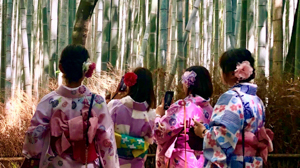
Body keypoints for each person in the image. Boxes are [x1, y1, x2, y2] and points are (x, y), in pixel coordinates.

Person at [22, 44, 119, 168]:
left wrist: (31, 156)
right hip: (86, 163)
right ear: (86, 70)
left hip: (55, 164)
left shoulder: (49, 101)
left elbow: (34, 135)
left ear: (61, 68)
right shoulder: (97, 102)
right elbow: (107, 140)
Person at [194, 48, 274, 168]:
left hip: (234, 162)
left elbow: (223, 138)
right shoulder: (257, 100)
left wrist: (204, 132)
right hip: (253, 163)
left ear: (232, 73)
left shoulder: (231, 98)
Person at [154, 66, 214, 168]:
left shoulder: (182, 106)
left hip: (183, 161)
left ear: (188, 84)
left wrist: (158, 115)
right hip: (204, 161)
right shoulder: (211, 109)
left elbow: (160, 133)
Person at [107, 67, 156, 168]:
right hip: (137, 163)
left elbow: (105, 133)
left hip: (114, 162)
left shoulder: (115, 106)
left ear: (130, 84)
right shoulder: (151, 114)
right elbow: (150, 140)